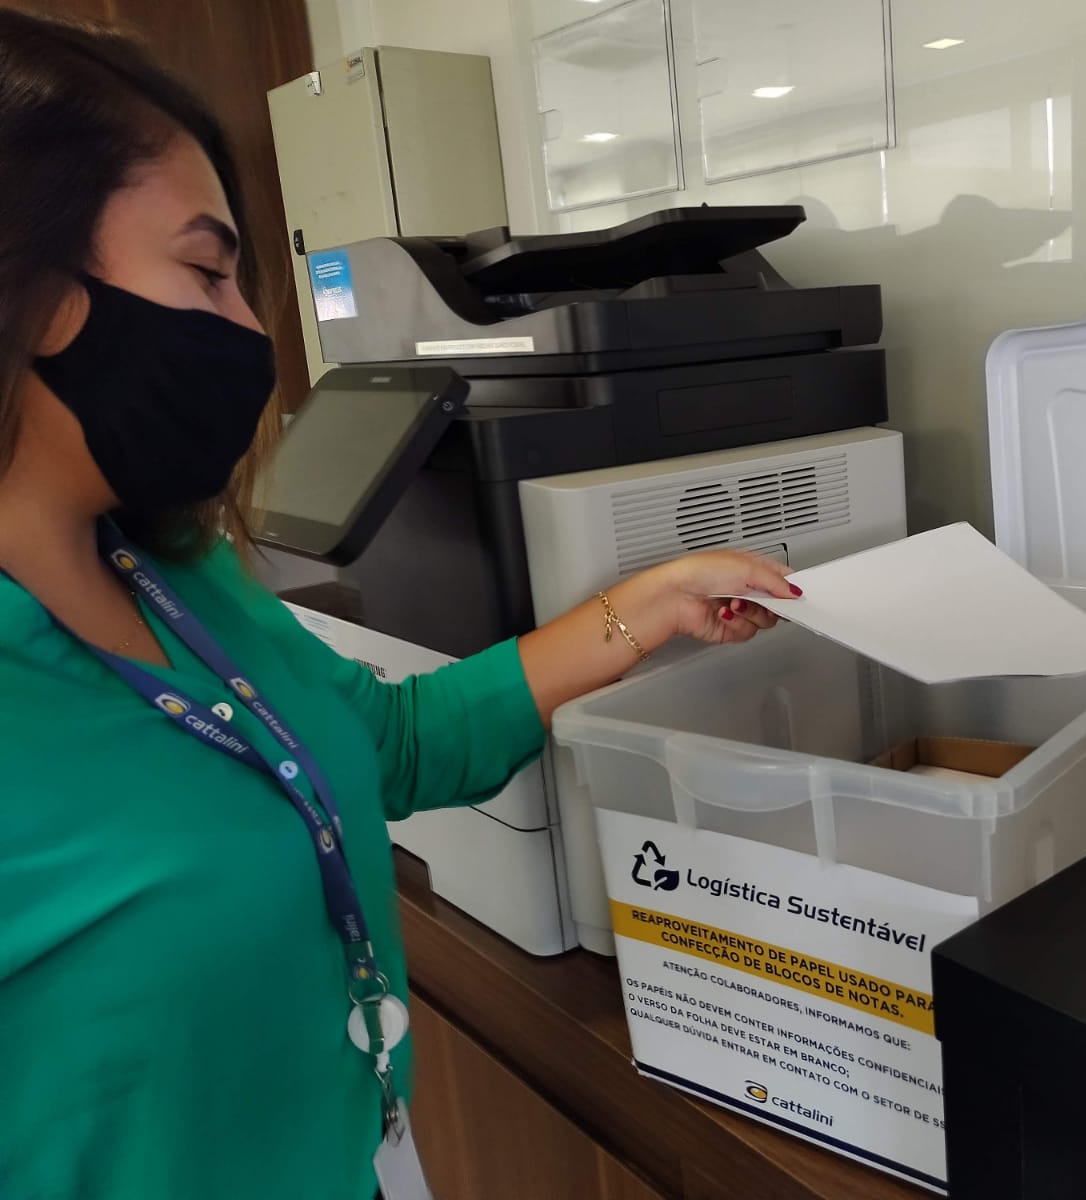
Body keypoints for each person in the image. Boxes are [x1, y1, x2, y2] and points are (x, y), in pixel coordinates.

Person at [0, 11, 796, 1198]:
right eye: (207, 271)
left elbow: (389, 743)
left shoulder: (170, 572)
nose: (250, 331)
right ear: (28, 285)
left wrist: (646, 606)